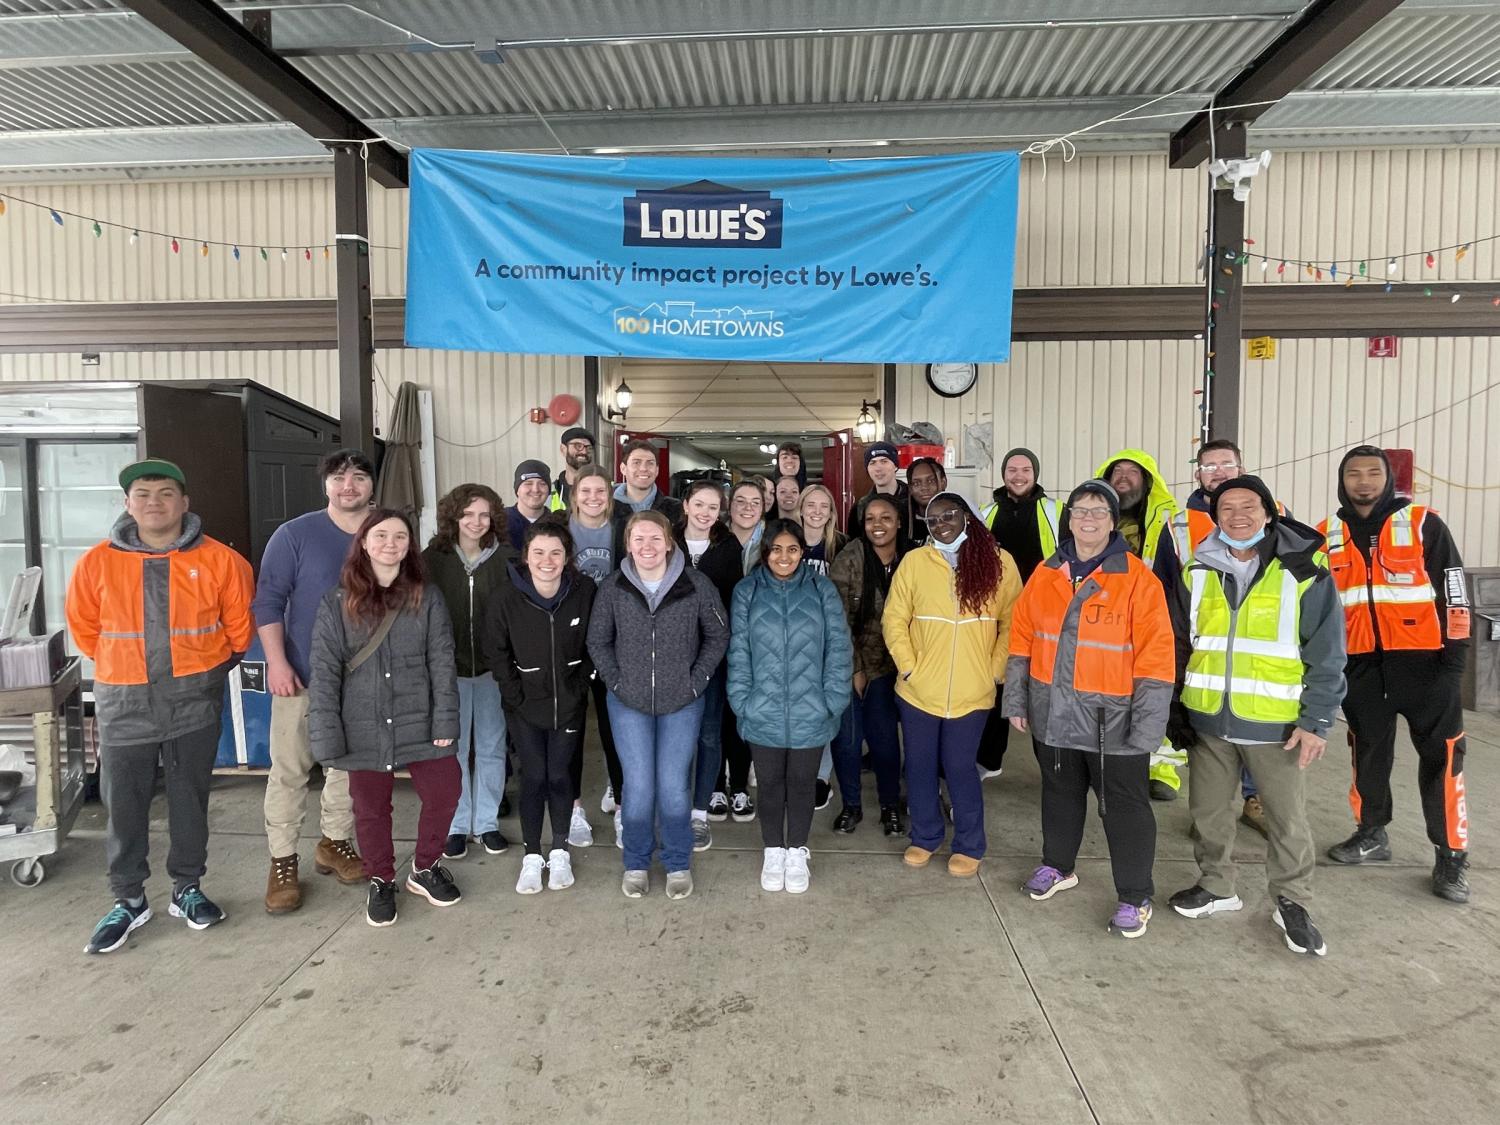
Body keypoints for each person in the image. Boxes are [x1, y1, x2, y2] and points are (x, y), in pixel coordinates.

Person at [68, 459, 255, 954]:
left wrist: (204, 671)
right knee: (123, 802)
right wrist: (124, 665)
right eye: (144, 494)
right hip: (123, 699)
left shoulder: (221, 561)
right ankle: (128, 899)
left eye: (166, 493)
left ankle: (187, 888)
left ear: (185, 503)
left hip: (193, 700)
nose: (155, 502)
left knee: (189, 799)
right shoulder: (96, 562)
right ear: (128, 504)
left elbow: (239, 630)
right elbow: (86, 630)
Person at [1167, 477, 1344, 956]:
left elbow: (1327, 653)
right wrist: (1175, 705)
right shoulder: (1197, 569)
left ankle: (1293, 901)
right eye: (1227, 508)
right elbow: (1182, 644)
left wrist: (1317, 720)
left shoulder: (1303, 571)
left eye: (1249, 506)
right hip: (1207, 719)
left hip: (1277, 725)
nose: (1238, 515)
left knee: (1286, 820)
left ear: (1269, 512)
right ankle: (1217, 885)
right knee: (1208, 813)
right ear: (1216, 515)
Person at [1004, 480, 1174, 939]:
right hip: (1054, 714)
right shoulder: (1046, 573)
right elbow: (1021, 641)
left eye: (1100, 511)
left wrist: (1149, 723)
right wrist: (1017, 700)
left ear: (1113, 520)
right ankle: (1058, 866)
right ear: (1070, 517)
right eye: (1081, 510)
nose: (1089, 519)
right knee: (1058, 794)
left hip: (1113, 723)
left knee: (1124, 807)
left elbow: (1157, 658)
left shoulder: (1138, 579)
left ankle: (1135, 896)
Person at [1318, 445, 1473, 902]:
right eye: (1353, 474)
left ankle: (1451, 856)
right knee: (1367, 756)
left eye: (1372, 473)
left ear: (1388, 478)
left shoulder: (1423, 523)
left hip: (1428, 666)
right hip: (1360, 669)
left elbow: (1455, 591)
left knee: (1442, 762)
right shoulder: (1326, 534)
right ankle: (1371, 833)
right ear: (1341, 481)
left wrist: (1456, 662)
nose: (1363, 482)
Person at [308, 509, 461, 928]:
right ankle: (381, 877)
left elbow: (442, 661)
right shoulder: (336, 603)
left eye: (399, 536)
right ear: (364, 542)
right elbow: (324, 674)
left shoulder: (426, 598)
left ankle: (425, 868)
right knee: (371, 809)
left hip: (421, 717)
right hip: (363, 723)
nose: (390, 543)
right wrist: (327, 736)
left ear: (410, 545)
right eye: (381, 535)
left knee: (446, 792)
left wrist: (446, 721)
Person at [254, 448, 373, 913]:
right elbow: (268, 601)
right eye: (340, 478)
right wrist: (277, 663)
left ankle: (335, 841)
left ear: (371, 486)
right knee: (290, 770)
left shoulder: (383, 532)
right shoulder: (294, 535)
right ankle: (283, 859)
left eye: (359, 477)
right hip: (302, 675)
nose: (349, 486)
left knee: (348, 768)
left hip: (361, 678)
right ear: (325, 485)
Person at [587, 510, 729, 900]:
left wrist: (696, 680)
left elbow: (718, 635)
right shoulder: (614, 588)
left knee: (672, 786)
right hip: (627, 702)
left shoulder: (696, 585)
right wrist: (616, 682)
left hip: (682, 701)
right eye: (638, 539)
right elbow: (597, 640)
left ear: (669, 542)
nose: (647, 547)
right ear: (628, 545)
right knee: (637, 786)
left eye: (655, 539)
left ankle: (678, 862)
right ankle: (635, 862)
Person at [1153, 439, 1286, 837]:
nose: (1218, 472)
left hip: (1260, 644)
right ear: (1198, 473)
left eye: (1226, 464)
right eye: (1209, 466)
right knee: (1208, 729)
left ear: (1241, 468)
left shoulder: (1278, 516)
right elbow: (1162, 585)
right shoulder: (1177, 524)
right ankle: (1215, 808)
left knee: (1255, 725)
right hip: (1202, 642)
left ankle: (1253, 798)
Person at [884, 492, 1020, 876]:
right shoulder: (914, 562)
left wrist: (995, 672)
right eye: (932, 520)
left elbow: (1014, 621)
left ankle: (970, 843)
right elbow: (894, 619)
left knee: (960, 767)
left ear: (968, 517)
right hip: (918, 691)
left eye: (949, 515)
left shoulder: (1000, 563)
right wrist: (909, 667)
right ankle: (925, 836)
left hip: (972, 690)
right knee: (921, 766)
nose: (941, 523)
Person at [729, 520, 852, 893]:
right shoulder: (747, 590)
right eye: (776, 549)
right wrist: (743, 702)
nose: (784, 557)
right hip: (761, 708)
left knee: (801, 784)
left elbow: (839, 648)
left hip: (811, 709)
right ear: (765, 552)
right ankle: (773, 850)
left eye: (793, 549)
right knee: (768, 785)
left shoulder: (821, 588)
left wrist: (831, 701)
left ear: (802, 552)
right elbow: (738, 651)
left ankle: (797, 850)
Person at [487, 519, 597, 894]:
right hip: (524, 707)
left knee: (560, 776)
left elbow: (594, 644)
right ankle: (533, 855)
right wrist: (515, 696)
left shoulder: (584, 591)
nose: (547, 560)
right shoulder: (506, 597)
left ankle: (560, 850)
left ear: (567, 557)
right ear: (526, 556)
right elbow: (497, 652)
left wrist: (580, 687)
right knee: (534, 777)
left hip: (569, 704)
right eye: (539, 552)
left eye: (555, 552)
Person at [1093, 447, 1183, 802]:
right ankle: (1113, 763)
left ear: (1148, 480)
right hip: (1107, 624)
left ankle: (1162, 768)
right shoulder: (1096, 517)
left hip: (1156, 621)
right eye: (1117, 472)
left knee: (1156, 695)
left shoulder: (1171, 521)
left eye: (1132, 472)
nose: (1124, 478)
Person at [829, 495, 913, 835]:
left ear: (899, 522)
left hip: (903, 664)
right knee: (847, 739)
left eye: (886, 518)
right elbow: (837, 619)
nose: (877, 525)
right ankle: (851, 806)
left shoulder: (914, 558)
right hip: (857, 662)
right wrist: (855, 668)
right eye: (870, 519)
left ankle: (890, 805)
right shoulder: (851, 557)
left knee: (885, 742)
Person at [976, 447, 1061, 779]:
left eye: (1026, 469)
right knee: (997, 687)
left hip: (1044, 617)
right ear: (1003, 474)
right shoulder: (985, 513)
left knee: (1042, 691)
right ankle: (988, 760)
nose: (1019, 475)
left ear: (1035, 474)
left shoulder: (1056, 512)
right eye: (1012, 469)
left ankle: (1053, 769)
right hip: (998, 617)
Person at [676, 481, 742, 850]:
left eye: (713, 507)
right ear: (686, 506)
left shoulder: (728, 547)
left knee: (709, 733)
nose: (705, 512)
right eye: (699, 504)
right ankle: (675, 806)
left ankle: (699, 813)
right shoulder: (667, 542)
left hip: (713, 658)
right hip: (671, 657)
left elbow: (730, 604)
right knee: (676, 735)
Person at [569, 464, 625, 840]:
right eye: (585, 492)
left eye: (599, 492)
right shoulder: (561, 529)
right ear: (574, 496)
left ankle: (623, 805)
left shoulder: (623, 527)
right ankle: (573, 809)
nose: (592, 498)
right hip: (569, 639)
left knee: (615, 728)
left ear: (610, 495)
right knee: (570, 730)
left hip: (614, 639)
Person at [715, 479, 768, 822]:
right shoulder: (715, 540)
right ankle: (716, 785)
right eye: (740, 501)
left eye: (755, 502)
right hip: (715, 640)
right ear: (729, 505)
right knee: (716, 716)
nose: (747, 507)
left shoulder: (772, 542)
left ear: (764, 507)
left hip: (757, 645)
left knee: (744, 716)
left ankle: (740, 789)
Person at [849, 441, 911, 540]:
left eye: (884, 461)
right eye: (872, 463)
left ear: (895, 466)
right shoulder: (860, 508)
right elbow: (855, 546)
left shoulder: (913, 500)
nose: (878, 468)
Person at [615, 439, 683, 523]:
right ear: (623, 468)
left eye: (650, 463)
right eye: (636, 462)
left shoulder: (675, 509)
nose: (643, 468)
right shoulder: (606, 507)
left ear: (657, 470)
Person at [796, 484, 846, 576]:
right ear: (801, 510)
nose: (817, 511)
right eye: (811, 505)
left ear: (831, 513)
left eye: (824, 506)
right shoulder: (788, 541)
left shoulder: (843, 544)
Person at [547, 427, 596, 512]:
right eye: (578, 446)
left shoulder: (605, 488)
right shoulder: (549, 493)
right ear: (563, 449)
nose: (584, 452)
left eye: (588, 448)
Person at [507, 459, 552, 550]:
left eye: (542, 484)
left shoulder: (557, 524)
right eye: (528, 483)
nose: (535, 489)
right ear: (517, 490)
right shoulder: (500, 522)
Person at [905, 457, 946, 545]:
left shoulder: (956, 518)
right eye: (916, 483)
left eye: (931, 481)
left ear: (943, 483)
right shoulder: (903, 521)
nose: (924, 487)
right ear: (910, 489)